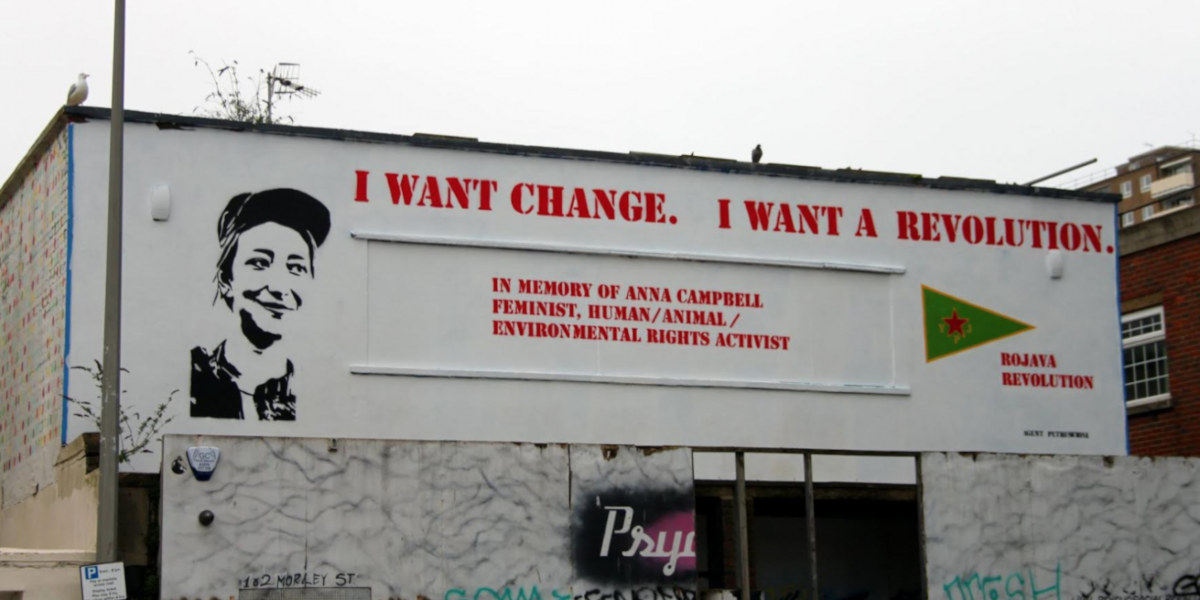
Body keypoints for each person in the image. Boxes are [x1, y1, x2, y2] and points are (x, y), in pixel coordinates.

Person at [190, 188, 331, 420]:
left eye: (295, 267)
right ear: (226, 280)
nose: (278, 287)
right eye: (260, 262)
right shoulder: (198, 376)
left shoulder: (316, 390)